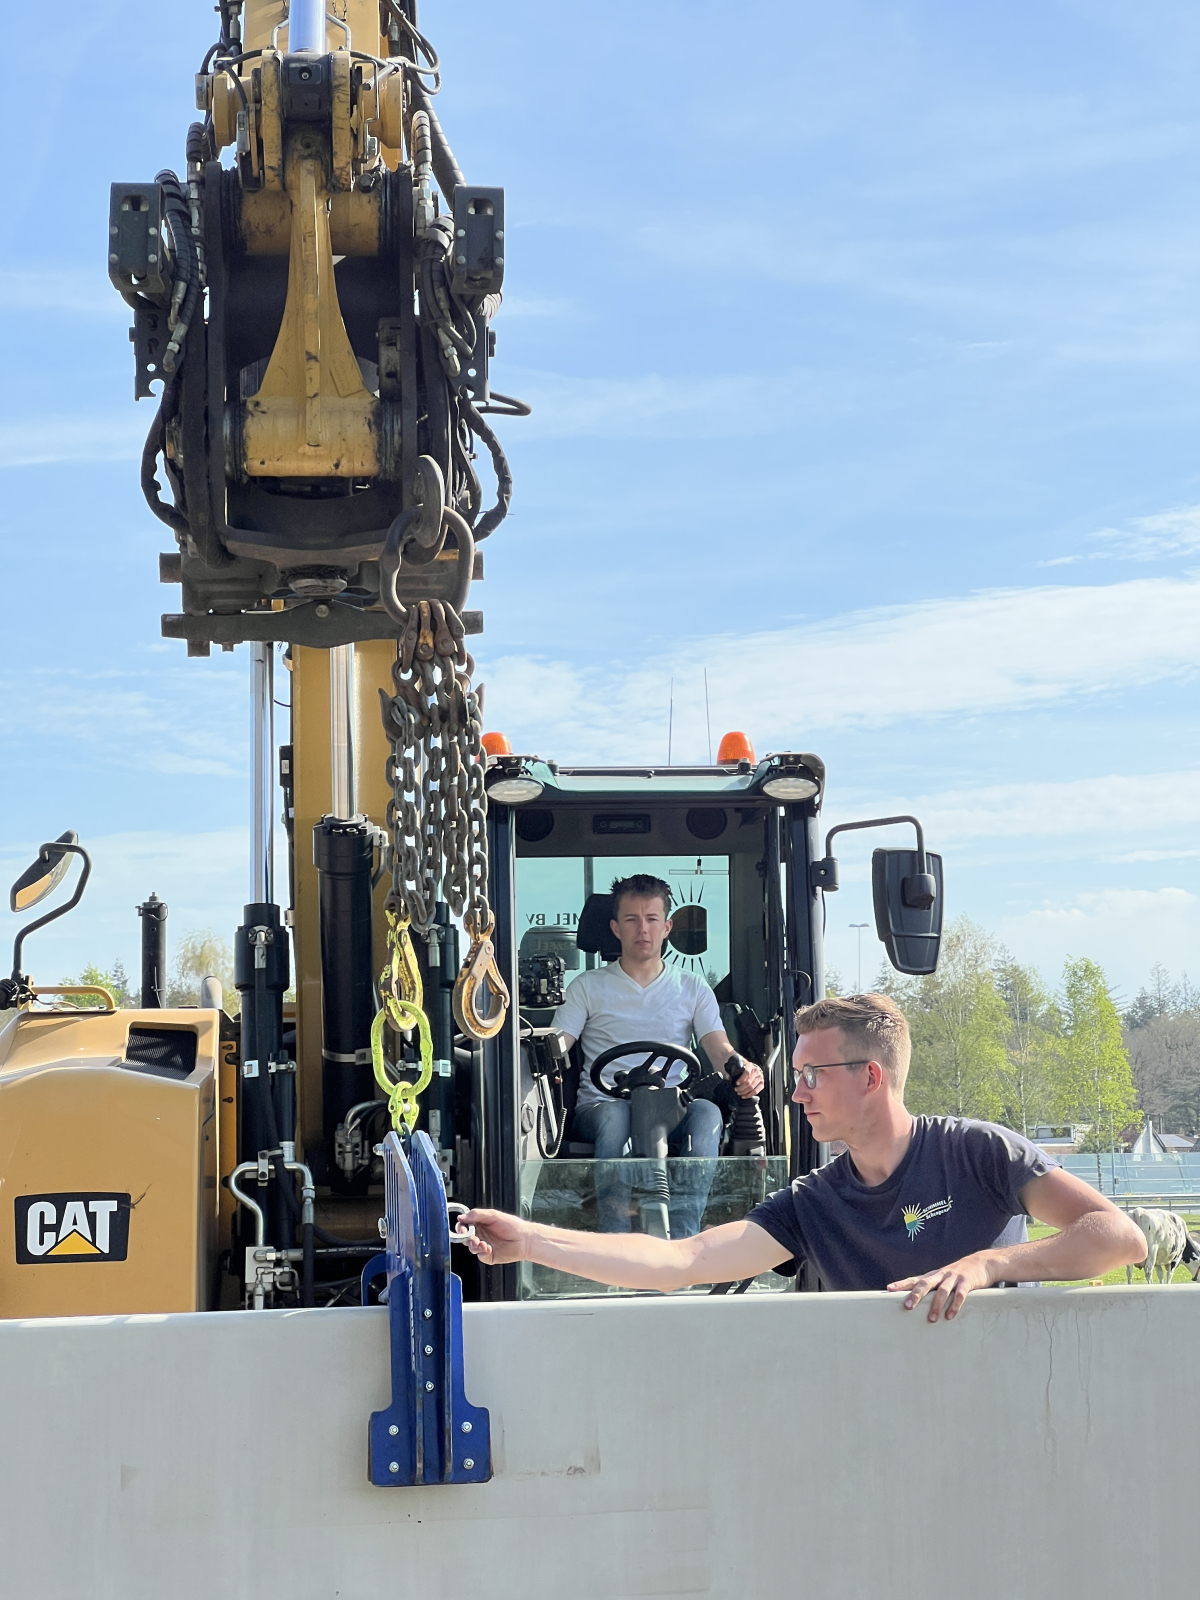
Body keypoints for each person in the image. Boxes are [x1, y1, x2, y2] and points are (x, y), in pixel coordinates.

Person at [464, 992, 1146, 1322]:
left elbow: (1119, 1238)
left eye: (812, 1075)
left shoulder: (977, 1151)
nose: (796, 1093)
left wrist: (988, 1265)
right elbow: (682, 1262)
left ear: (871, 1076)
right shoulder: (813, 1202)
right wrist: (532, 1241)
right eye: (796, 1075)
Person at [553, 873, 764, 1237]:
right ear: (616, 928)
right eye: (632, 919)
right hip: (601, 1106)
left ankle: (682, 1238)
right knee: (617, 1115)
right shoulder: (586, 987)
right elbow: (559, 1045)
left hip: (672, 1107)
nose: (643, 929)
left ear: (667, 927)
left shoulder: (692, 987)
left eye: (652, 919)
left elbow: (718, 1048)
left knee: (708, 1112)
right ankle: (615, 1240)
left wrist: (743, 1068)